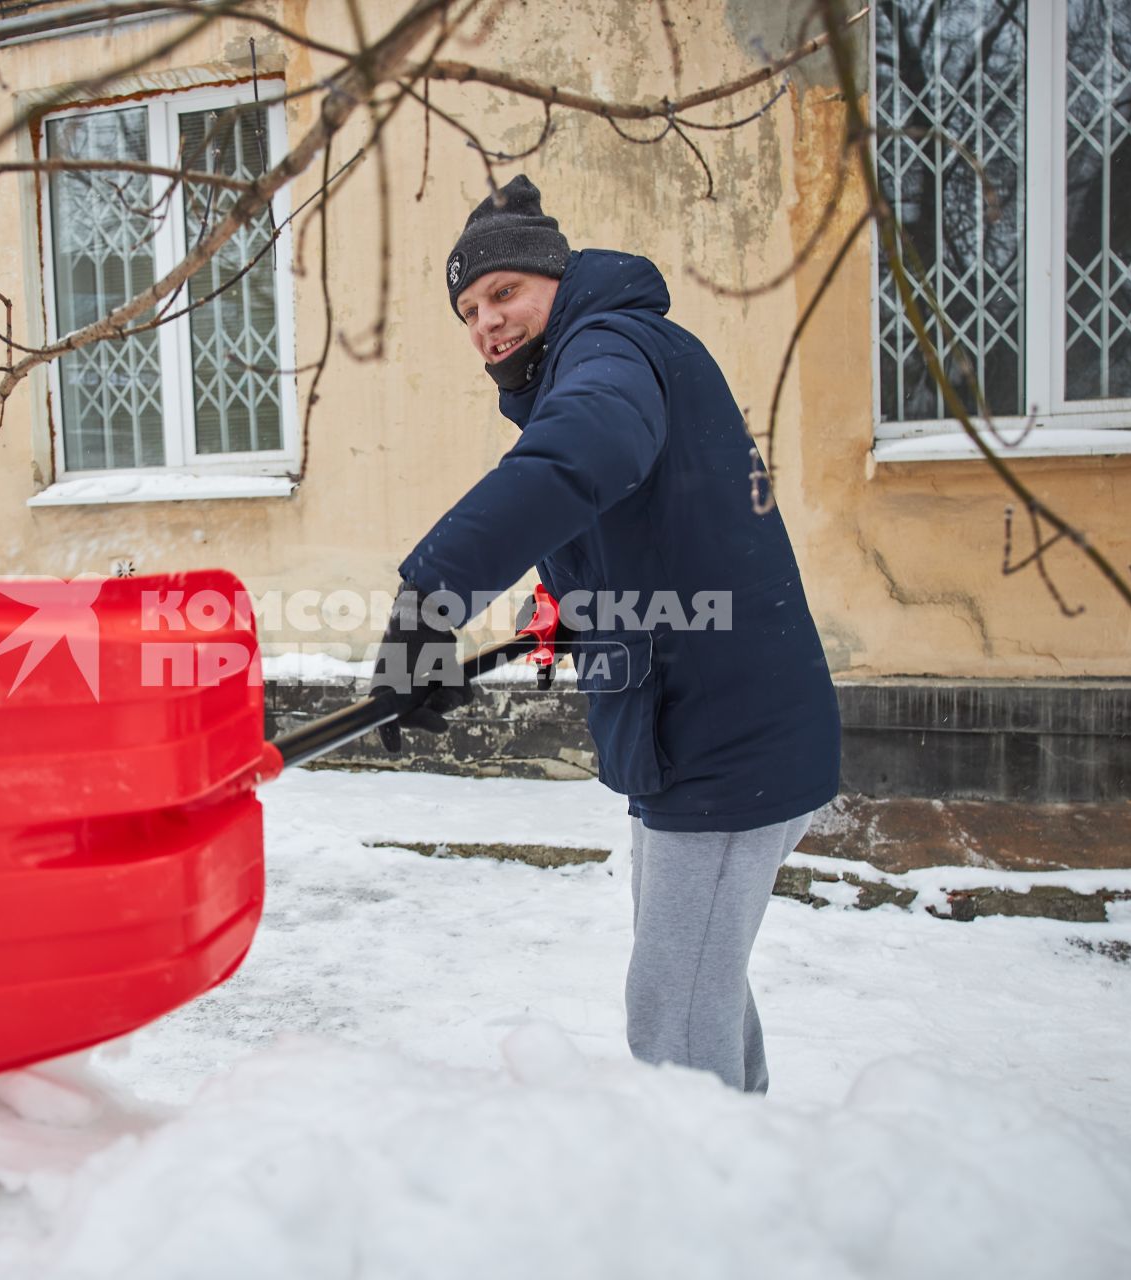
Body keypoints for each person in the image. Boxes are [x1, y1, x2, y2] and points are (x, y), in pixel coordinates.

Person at [371, 175, 841, 1093]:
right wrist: (564, 609)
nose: (486, 325)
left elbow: (585, 455)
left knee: (671, 1019)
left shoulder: (611, 349)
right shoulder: (599, 360)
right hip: (696, 734)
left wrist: (429, 602)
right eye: (468, 310)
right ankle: (752, 1171)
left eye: (504, 294)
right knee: (697, 987)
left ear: (557, 278)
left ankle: (710, 1205)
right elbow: (632, 516)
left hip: (727, 744)